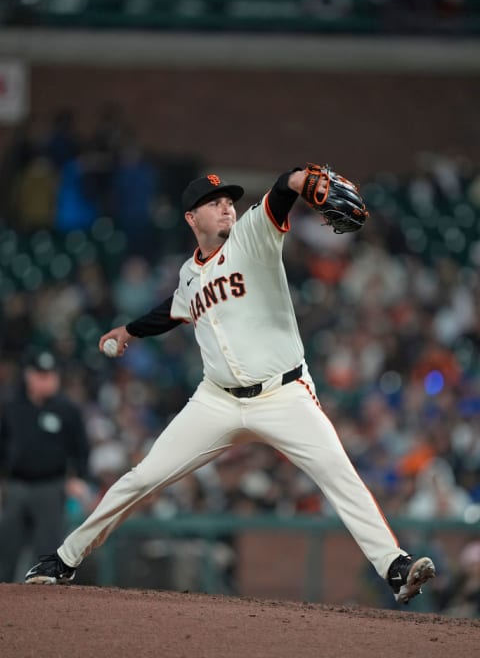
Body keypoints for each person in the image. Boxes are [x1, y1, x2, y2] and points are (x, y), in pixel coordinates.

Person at [24, 167, 436, 604]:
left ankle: (394, 567)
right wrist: (129, 330)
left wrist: (299, 180)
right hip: (216, 401)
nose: (226, 207)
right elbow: (173, 309)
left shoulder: (253, 236)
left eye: (229, 201)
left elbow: (282, 190)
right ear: (191, 218)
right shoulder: (188, 274)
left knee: (339, 474)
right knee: (141, 477)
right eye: (214, 203)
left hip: (284, 394)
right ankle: (64, 560)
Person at [0, 348, 90, 582]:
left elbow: (81, 448)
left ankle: (48, 608)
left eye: (50, 375)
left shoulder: (67, 409)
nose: (46, 380)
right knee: (6, 549)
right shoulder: (11, 406)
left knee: (47, 551)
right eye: (41, 375)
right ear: (28, 376)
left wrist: (79, 477)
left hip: (51, 486)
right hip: (16, 486)